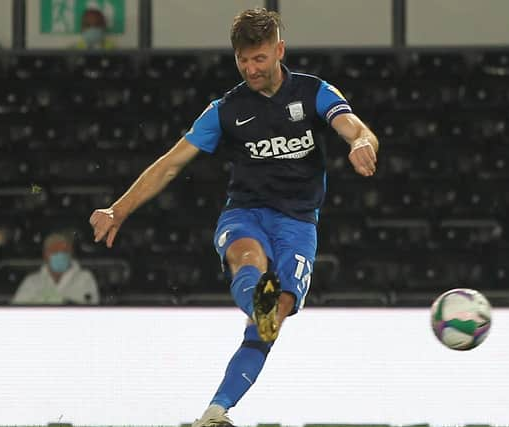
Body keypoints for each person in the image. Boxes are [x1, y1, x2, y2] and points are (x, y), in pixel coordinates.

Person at [89, 7, 378, 427]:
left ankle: (215, 412)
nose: (250, 68)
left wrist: (361, 144)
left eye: (259, 58)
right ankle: (260, 309)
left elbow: (355, 128)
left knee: (274, 313)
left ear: (279, 50)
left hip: (298, 224)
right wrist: (119, 208)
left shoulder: (314, 92)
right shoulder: (225, 109)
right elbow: (171, 164)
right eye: (242, 59)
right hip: (246, 214)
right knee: (248, 261)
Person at [11, 232, 100, 305]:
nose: (60, 255)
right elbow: (16, 310)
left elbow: (91, 307)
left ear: (71, 254)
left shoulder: (84, 278)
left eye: (64, 251)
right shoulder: (32, 281)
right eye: (55, 251)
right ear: (45, 255)